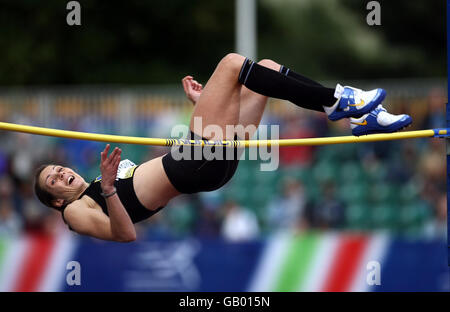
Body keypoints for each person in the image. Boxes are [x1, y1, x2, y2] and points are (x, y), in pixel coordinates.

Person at [33, 53, 412, 242]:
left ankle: (359, 116)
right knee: (232, 64)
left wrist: (203, 109)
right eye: (54, 180)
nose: (61, 172)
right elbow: (124, 234)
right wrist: (111, 188)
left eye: (56, 168)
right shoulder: (74, 212)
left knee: (263, 68)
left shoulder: (91, 189)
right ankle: (339, 102)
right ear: (54, 200)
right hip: (193, 165)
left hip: (205, 164)